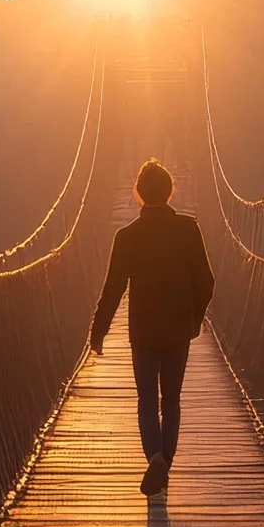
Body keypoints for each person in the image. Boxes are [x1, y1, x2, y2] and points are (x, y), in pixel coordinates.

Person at [91, 158, 216, 496]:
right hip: (178, 331)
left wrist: (98, 331)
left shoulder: (127, 236)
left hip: (143, 333)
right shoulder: (189, 229)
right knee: (171, 399)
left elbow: (113, 288)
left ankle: (155, 459)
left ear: (139, 193)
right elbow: (207, 281)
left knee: (146, 400)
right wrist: (194, 319)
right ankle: (165, 465)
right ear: (171, 191)